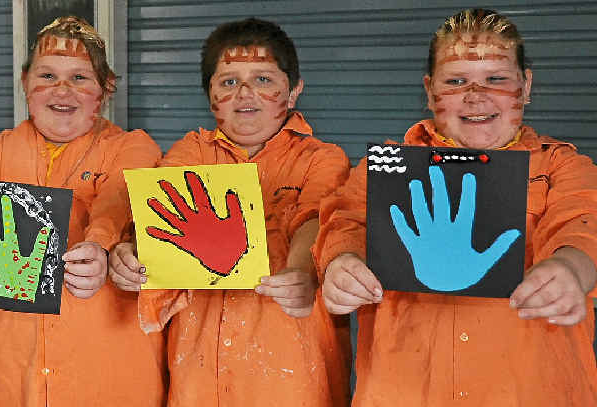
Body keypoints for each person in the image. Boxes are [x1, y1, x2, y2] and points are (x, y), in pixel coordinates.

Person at [315, 8, 597, 406]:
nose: (475, 95)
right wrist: (341, 263)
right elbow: (345, 221)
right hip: (405, 392)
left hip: (532, 392)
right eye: (456, 81)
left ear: (526, 85)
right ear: (430, 90)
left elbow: (584, 222)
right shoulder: (387, 168)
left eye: (496, 79)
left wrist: (571, 268)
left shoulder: (563, 166)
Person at [0, 16, 166, 407]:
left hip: (111, 381)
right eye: (47, 75)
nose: (62, 90)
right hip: (9, 381)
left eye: (80, 77)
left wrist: (101, 245)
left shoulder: (134, 147)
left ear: (106, 88)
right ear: (25, 81)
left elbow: (117, 201)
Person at [107, 18, 351, 406]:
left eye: (263, 79)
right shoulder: (190, 152)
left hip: (294, 377)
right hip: (197, 376)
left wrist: (301, 271)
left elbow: (313, 218)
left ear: (293, 91)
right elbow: (155, 215)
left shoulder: (323, 159)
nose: (244, 93)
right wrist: (129, 253)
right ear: (210, 95)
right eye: (229, 81)